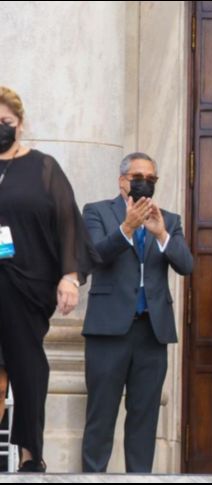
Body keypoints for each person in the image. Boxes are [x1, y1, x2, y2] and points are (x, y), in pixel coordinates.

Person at [0, 86, 98, 472]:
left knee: (27, 367)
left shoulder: (43, 167)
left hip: (26, 284)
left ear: (20, 124)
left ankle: (29, 454)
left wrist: (70, 277)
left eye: (5, 122)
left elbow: (67, 221)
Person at [81, 152, 193, 473]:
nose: (145, 184)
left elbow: (186, 265)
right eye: (139, 177)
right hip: (108, 332)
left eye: (151, 179)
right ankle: (91, 479)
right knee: (101, 418)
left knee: (144, 420)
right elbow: (93, 256)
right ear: (122, 181)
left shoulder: (169, 220)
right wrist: (126, 229)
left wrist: (161, 234)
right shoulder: (98, 212)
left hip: (151, 332)